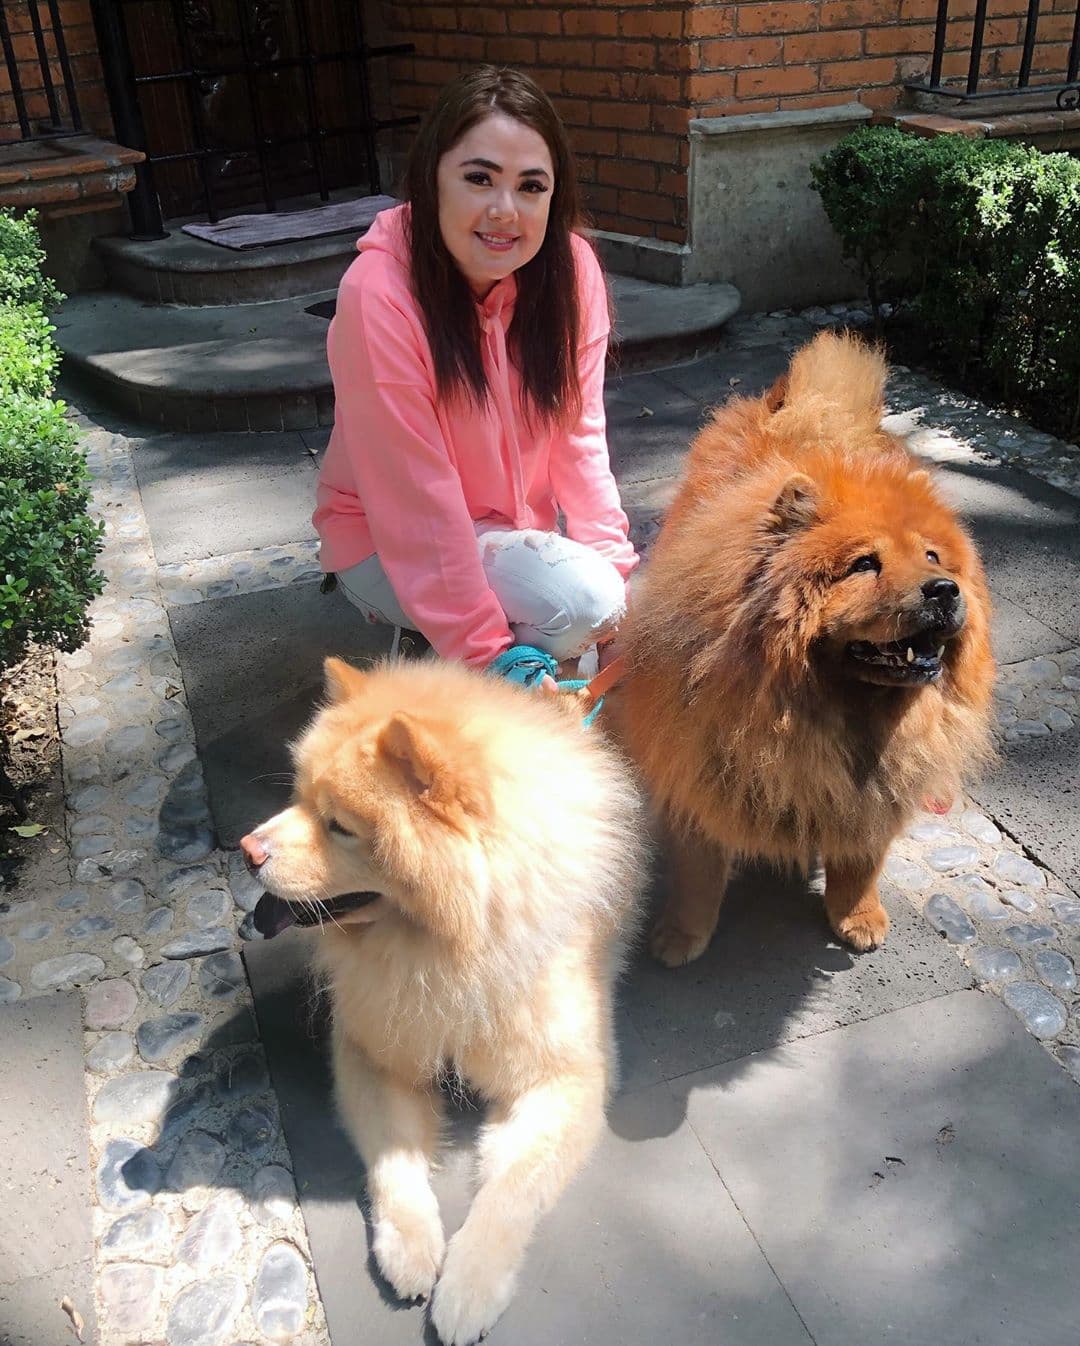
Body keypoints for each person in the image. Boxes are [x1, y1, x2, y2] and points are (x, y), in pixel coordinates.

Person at [313, 65, 637, 689]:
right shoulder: (379, 294)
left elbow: (580, 441)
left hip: (508, 533)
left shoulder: (571, 273)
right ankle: (490, 686)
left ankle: (535, 681)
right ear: (431, 178)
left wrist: (620, 597)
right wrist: (490, 654)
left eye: (531, 186)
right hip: (382, 537)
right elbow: (417, 499)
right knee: (579, 605)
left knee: (602, 602)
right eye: (479, 178)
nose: (504, 211)